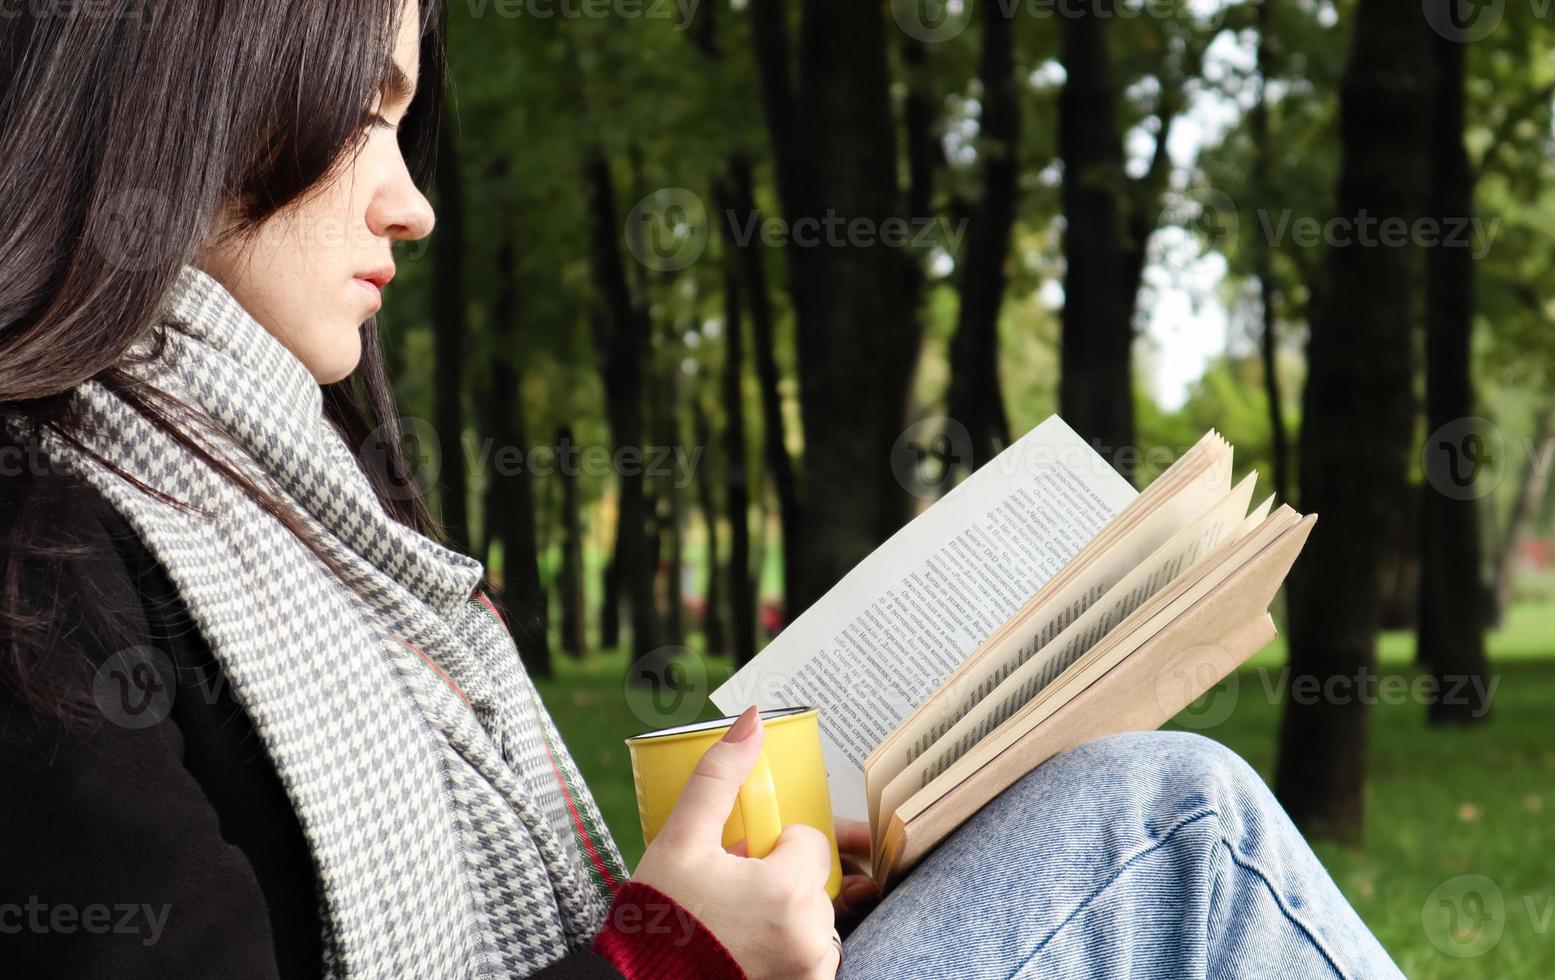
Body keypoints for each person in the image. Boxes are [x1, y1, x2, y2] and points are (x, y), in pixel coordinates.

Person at [0, 1, 1404, 977]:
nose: (409, 204)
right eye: (362, 120)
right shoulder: (43, 560)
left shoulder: (268, 495)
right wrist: (664, 955)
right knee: (1168, 827)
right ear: (187, 110)